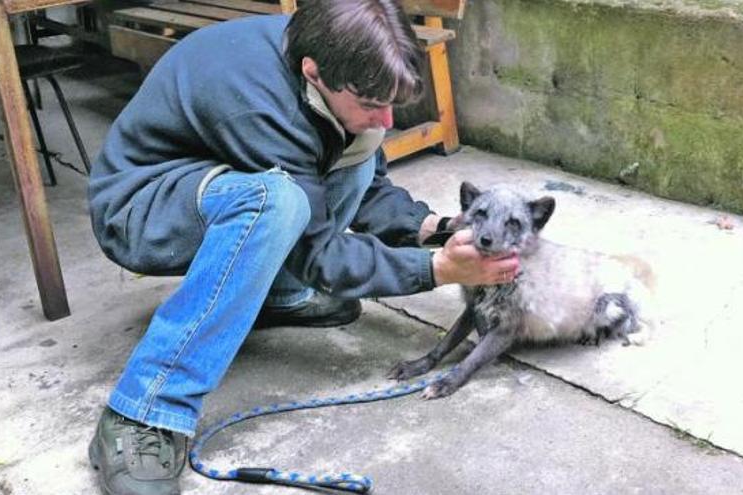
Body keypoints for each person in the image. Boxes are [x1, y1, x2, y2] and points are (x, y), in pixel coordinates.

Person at [86, 0, 519, 493]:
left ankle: (281, 295)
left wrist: (435, 227)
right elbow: (320, 253)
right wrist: (438, 268)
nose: (387, 115)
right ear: (313, 72)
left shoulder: (333, 60)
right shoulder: (257, 101)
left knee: (354, 148)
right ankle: (144, 408)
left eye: (392, 101)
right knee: (275, 202)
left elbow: (365, 179)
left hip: (214, 179)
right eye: (372, 102)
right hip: (140, 209)